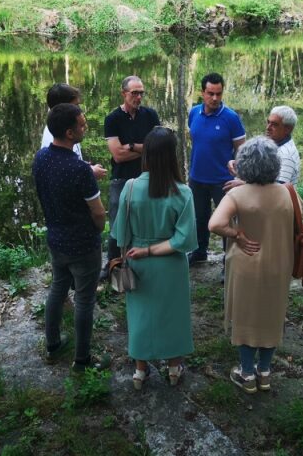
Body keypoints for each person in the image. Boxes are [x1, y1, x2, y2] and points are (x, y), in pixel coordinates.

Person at [208, 136, 297, 394]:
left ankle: (246, 374)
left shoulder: (237, 194)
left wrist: (237, 235)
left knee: (245, 317)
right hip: (279, 263)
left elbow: (214, 225)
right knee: (272, 315)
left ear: (244, 165)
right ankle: (265, 373)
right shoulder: (289, 193)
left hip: (245, 264)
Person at [112, 127, 198, 389]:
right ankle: (173, 368)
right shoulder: (182, 192)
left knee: (140, 315)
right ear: (172, 156)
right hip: (170, 265)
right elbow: (184, 241)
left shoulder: (130, 186)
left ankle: (140, 371)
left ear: (146, 154)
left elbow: (120, 234)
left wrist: (142, 249)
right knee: (173, 314)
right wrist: (154, 249)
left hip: (137, 261)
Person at [33, 103, 111, 373]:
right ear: (69, 132)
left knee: (57, 288)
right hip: (83, 245)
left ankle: (53, 344)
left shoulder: (40, 158)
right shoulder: (80, 170)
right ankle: (82, 359)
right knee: (85, 300)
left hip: (56, 239)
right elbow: (98, 212)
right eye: (81, 124)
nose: (85, 127)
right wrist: (98, 228)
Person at [101, 76, 161, 281]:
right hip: (121, 178)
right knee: (118, 222)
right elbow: (117, 155)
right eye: (134, 93)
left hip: (148, 176)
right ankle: (112, 263)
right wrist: (146, 148)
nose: (139, 97)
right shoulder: (112, 119)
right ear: (123, 93)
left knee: (148, 219)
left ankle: (143, 259)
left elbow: (159, 147)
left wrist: (132, 146)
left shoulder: (150, 115)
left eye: (141, 92)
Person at [187, 73, 246, 266]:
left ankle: (228, 259)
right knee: (199, 217)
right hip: (197, 178)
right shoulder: (194, 113)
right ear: (202, 92)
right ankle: (199, 251)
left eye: (218, 94)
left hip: (224, 181)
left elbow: (242, 151)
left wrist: (242, 178)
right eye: (210, 93)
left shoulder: (231, 118)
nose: (214, 98)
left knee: (226, 223)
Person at [224, 105, 301, 190]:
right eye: (268, 122)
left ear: (288, 129)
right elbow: (263, 173)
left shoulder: (286, 155)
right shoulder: (275, 146)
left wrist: (243, 184)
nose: (268, 128)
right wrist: (241, 165)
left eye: (274, 125)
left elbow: (278, 191)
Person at [41, 83, 106, 181]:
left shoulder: (68, 128)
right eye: (76, 105)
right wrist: (90, 173)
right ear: (62, 108)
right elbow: (59, 174)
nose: (79, 109)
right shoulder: (53, 137)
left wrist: (85, 166)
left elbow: (70, 163)